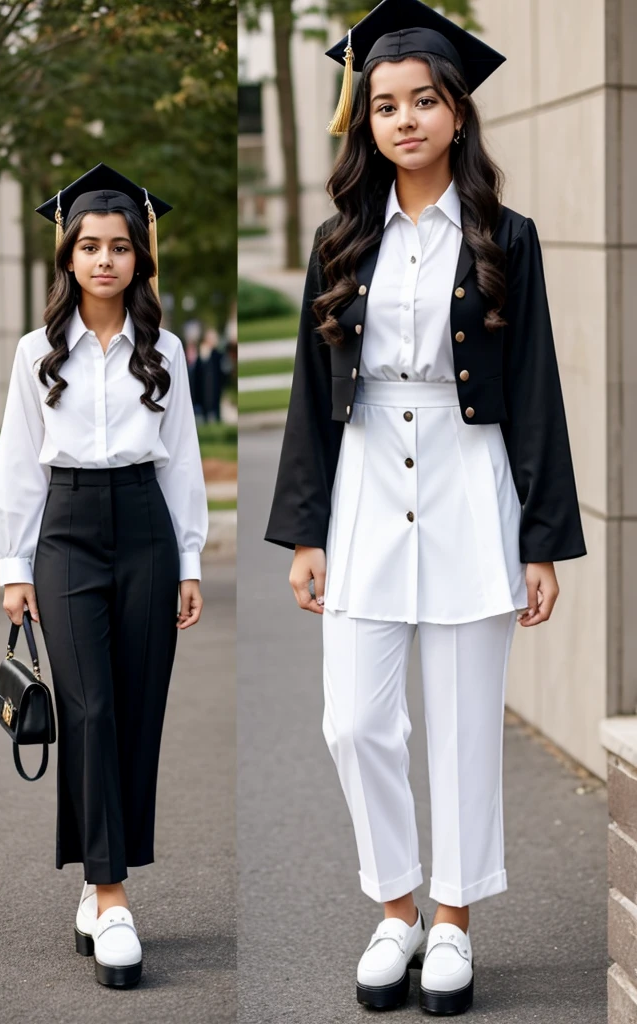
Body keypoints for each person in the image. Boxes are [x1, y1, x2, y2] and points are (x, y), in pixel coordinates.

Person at [264, 0, 586, 1015]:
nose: (403, 119)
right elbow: (313, 397)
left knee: (458, 725)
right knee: (352, 723)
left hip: (467, 485)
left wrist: (540, 538)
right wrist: (306, 529)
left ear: (455, 113)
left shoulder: (505, 236)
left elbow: (532, 386)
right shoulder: (337, 241)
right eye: (384, 105)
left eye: (423, 101)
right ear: (363, 121)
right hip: (363, 488)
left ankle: (450, 919)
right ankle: (391, 906)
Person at [0, 163, 208, 989]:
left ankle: (96, 877)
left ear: (141, 258)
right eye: (89, 246)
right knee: (89, 709)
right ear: (67, 257)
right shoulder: (36, 354)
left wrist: (188, 560)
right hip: (68, 537)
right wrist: (14, 565)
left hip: (147, 530)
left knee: (135, 710)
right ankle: (112, 898)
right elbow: (16, 464)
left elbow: (182, 462)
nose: (105, 259)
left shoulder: (168, 351)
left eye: (120, 246)